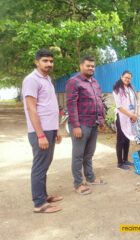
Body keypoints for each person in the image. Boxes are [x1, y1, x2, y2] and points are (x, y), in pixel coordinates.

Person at [22, 49, 63, 213]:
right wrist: (40, 134)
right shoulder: (31, 80)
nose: (49, 64)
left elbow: (50, 107)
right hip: (40, 131)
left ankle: (43, 195)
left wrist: (56, 129)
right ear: (36, 62)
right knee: (40, 166)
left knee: (45, 164)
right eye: (45, 61)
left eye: (51, 61)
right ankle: (39, 204)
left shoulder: (47, 79)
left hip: (50, 129)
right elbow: (31, 109)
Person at [66, 56, 106, 195]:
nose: (91, 68)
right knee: (78, 155)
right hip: (81, 125)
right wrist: (76, 126)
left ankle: (90, 177)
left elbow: (99, 102)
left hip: (93, 123)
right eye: (88, 66)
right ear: (81, 66)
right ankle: (78, 184)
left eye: (93, 66)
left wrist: (101, 120)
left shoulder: (94, 82)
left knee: (89, 154)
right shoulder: (74, 82)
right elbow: (71, 105)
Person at [112, 70, 138, 170]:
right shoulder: (117, 89)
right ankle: (120, 162)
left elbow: (135, 102)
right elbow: (119, 106)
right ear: (121, 76)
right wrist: (131, 115)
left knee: (127, 138)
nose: (127, 79)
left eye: (129, 78)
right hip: (121, 117)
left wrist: (135, 114)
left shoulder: (131, 88)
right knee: (120, 140)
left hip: (130, 117)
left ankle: (125, 159)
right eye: (126, 77)